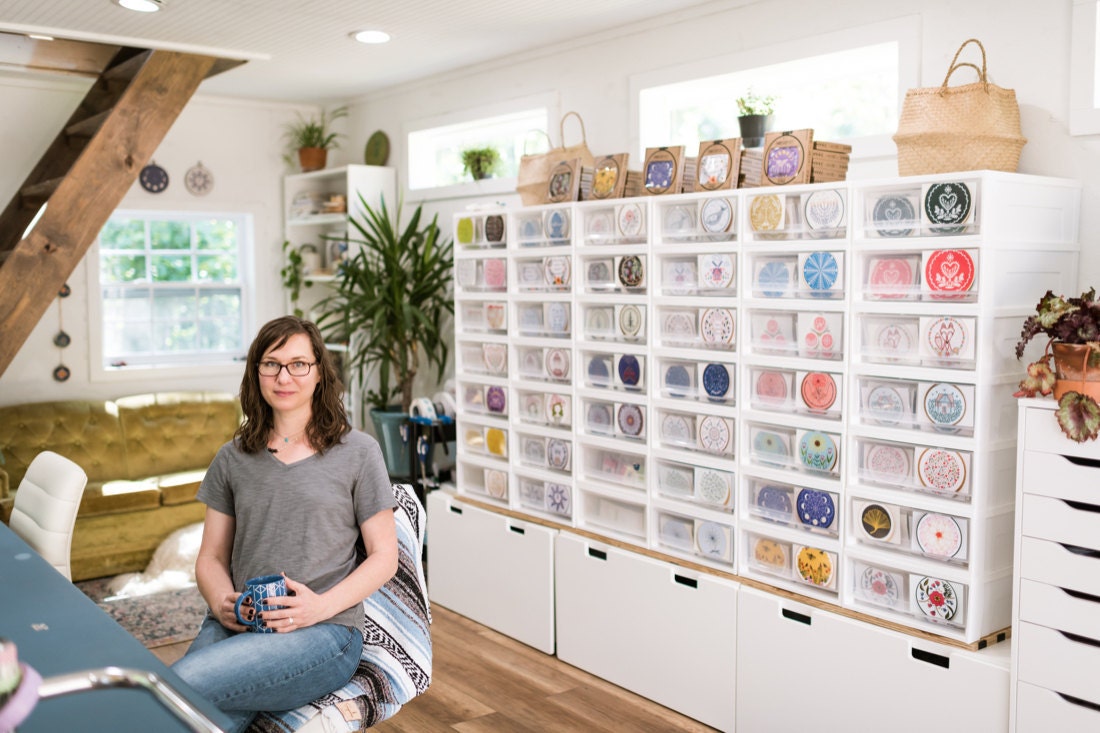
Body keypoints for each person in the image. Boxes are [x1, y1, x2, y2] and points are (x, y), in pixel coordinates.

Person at [172, 316, 398, 732]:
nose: (284, 376)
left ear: (318, 374)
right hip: (239, 622)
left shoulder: (359, 451)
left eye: (298, 364)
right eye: (271, 364)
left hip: (324, 632)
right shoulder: (233, 457)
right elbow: (210, 557)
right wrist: (225, 602)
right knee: (200, 719)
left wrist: (319, 607)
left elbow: (386, 557)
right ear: (256, 373)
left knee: (179, 687)